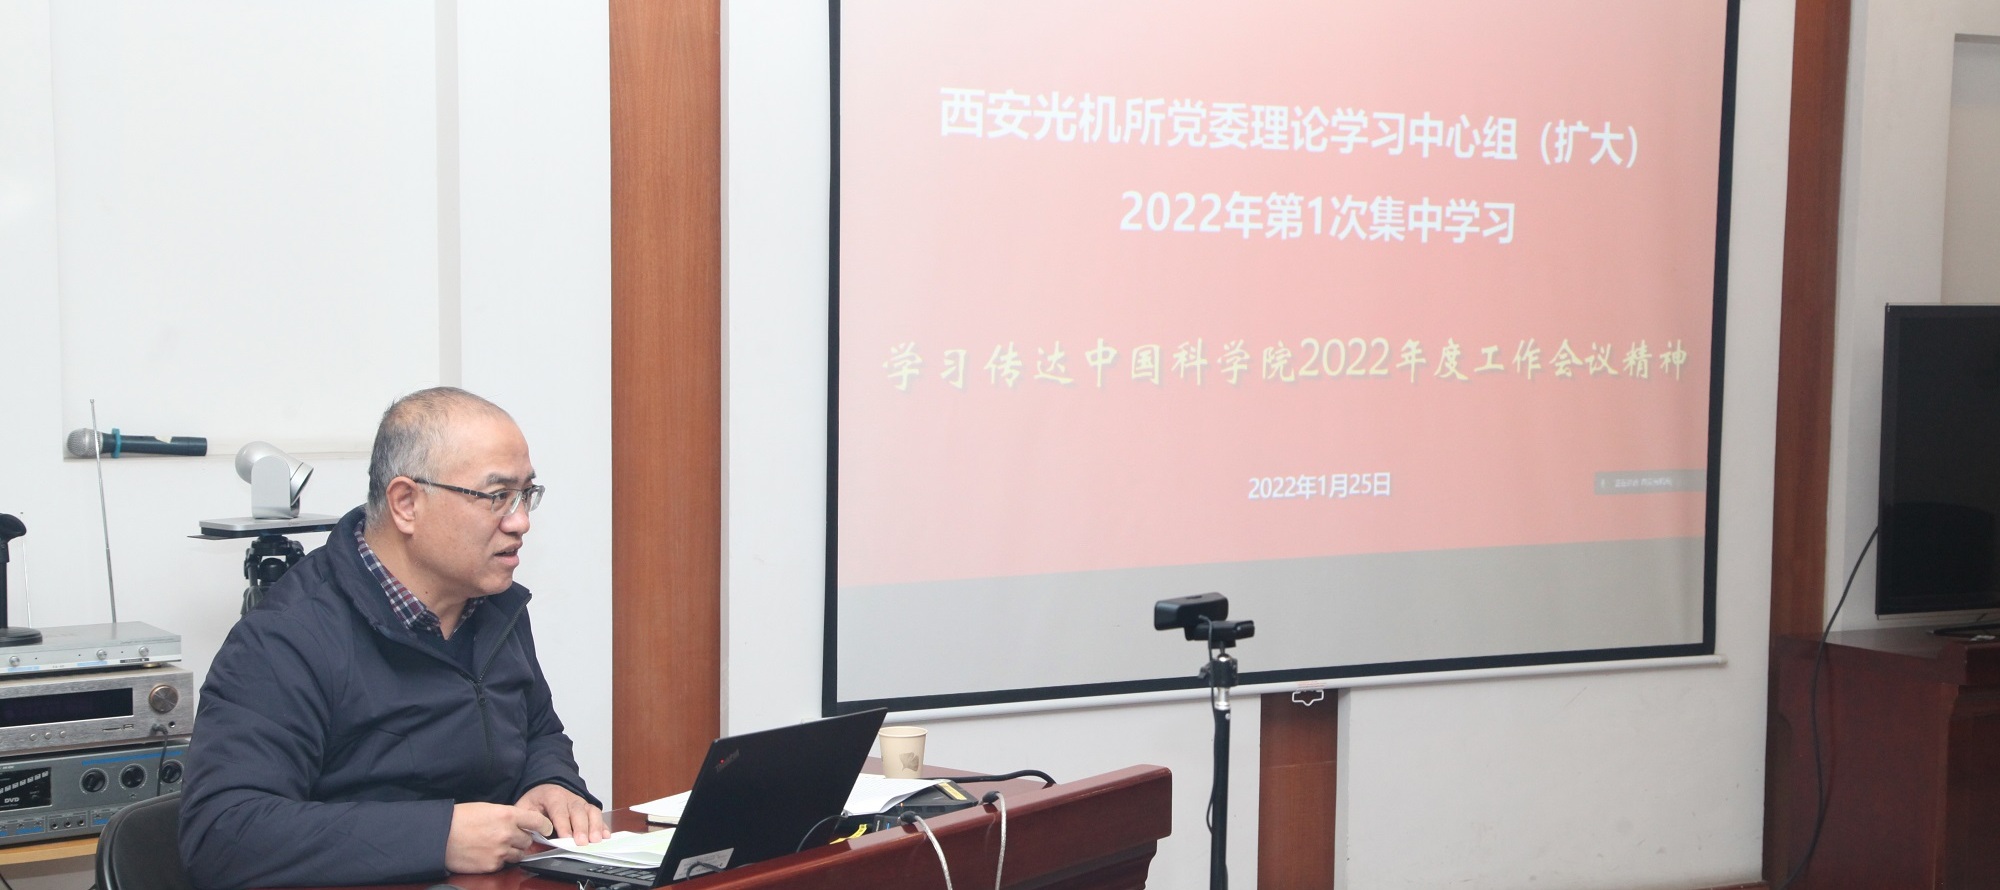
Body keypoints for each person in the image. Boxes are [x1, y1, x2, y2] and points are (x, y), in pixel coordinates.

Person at [180, 387, 610, 890]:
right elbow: (223, 833)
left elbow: (538, 732)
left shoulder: (495, 605)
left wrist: (551, 782)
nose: (521, 521)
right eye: (497, 497)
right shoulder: (287, 637)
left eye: (526, 494)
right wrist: (438, 837)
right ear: (406, 503)